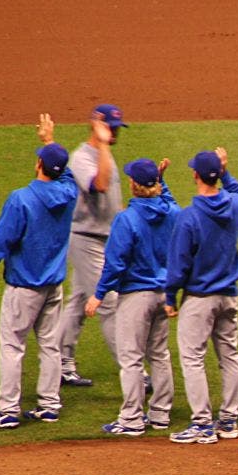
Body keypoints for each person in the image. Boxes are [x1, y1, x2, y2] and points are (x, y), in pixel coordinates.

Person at [0, 115, 77, 428]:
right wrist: (50, 142)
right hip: (54, 285)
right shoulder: (69, 193)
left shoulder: (22, 199)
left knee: (13, 346)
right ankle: (49, 404)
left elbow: (1, 239)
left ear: (38, 164)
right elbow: (66, 173)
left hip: (24, 287)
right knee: (50, 345)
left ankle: (8, 410)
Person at [164, 148, 238, 443]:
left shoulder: (189, 216)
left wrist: (170, 296)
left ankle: (202, 424)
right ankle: (228, 421)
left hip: (199, 298)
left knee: (192, 358)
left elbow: (179, 263)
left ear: (195, 175)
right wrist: (226, 173)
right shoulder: (235, 205)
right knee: (229, 355)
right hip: (229, 295)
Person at [88, 157, 179, 436]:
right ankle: (160, 414)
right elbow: (169, 201)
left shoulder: (126, 219)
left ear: (133, 184)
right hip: (164, 295)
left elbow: (115, 263)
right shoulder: (172, 212)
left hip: (136, 296)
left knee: (131, 358)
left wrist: (99, 294)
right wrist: (162, 180)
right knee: (159, 354)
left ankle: (131, 419)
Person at [57, 104, 127, 388]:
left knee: (77, 301)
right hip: (86, 239)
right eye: (111, 128)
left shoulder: (104, 155)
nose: (115, 133)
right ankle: (132, 369)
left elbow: (112, 199)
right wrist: (103, 145)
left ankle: (60, 363)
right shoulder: (81, 157)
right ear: (97, 126)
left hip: (105, 238)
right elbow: (101, 184)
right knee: (109, 303)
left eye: (117, 129)